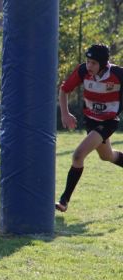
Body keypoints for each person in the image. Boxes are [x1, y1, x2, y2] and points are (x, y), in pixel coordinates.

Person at [56, 43, 123, 212]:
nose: (89, 66)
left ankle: (64, 200)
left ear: (103, 64)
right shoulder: (82, 71)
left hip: (108, 122)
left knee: (78, 155)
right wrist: (65, 114)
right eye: (88, 61)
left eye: (93, 63)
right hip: (91, 121)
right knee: (107, 156)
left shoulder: (118, 74)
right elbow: (64, 90)